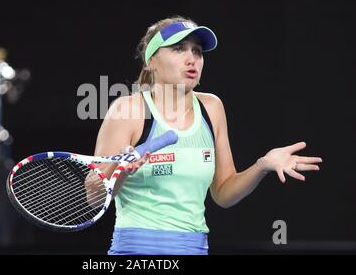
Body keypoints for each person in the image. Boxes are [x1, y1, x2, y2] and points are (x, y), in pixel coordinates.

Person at [93, 16, 322, 255]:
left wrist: (261, 166)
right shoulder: (127, 110)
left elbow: (223, 193)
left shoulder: (212, 108)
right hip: (136, 251)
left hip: (195, 249)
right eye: (178, 49)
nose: (191, 59)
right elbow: (93, 197)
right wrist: (120, 170)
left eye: (198, 51)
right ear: (152, 61)